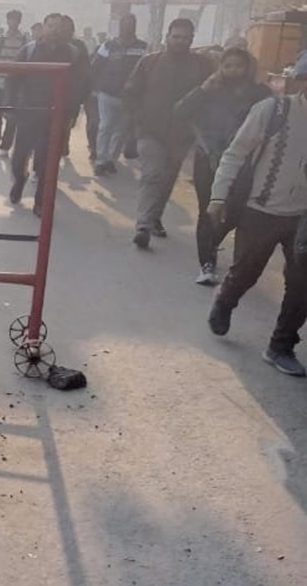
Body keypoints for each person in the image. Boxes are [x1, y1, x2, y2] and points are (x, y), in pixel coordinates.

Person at [207, 53, 307, 377]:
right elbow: (235, 153)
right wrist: (218, 195)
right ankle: (226, 299)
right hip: (261, 209)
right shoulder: (274, 110)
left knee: (303, 284)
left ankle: (281, 345)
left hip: (303, 216)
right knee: (247, 271)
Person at [175, 48, 271, 285]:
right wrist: (202, 91)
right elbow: (179, 111)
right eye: (228, 66)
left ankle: (211, 242)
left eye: (238, 66)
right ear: (221, 67)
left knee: (236, 211)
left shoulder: (260, 94)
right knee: (208, 209)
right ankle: (206, 262)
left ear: (247, 67)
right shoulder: (209, 89)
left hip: (244, 163)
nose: (233, 71)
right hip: (208, 157)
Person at [123, 18, 215, 249]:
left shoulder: (203, 66)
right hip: (150, 130)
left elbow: (211, 95)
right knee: (152, 175)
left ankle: (155, 217)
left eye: (185, 38)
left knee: (167, 178)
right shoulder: (149, 63)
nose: (180, 41)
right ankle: (143, 225)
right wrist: (137, 120)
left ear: (192, 39)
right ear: (167, 37)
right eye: (176, 37)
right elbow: (131, 92)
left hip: (181, 134)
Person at [7, 13, 87, 216]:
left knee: (46, 162)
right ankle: (20, 180)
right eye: (50, 26)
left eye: (58, 27)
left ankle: (40, 201)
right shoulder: (29, 50)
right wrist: (10, 106)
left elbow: (81, 84)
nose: (54, 30)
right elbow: (13, 80)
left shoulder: (73, 54)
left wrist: (71, 108)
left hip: (54, 116)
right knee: (18, 158)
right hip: (29, 113)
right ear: (43, 27)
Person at [91, 14, 148, 175]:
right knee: (106, 126)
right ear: (120, 26)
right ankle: (101, 160)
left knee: (121, 130)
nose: (127, 27)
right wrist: (94, 88)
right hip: (107, 93)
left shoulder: (143, 47)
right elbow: (96, 66)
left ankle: (111, 159)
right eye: (125, 23)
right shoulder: (107, 45)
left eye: (131, 24)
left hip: (129, 96)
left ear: (135, 26)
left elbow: (147, 71)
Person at [0, 9, 28, 156]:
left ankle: (6, 145)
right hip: (0, 84)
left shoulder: (25, 41)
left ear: (19, 21)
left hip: (16, 86)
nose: (13, 22)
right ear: (7, 21)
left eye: (16, 19)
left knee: (12, 117)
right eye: (11, 19)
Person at [62, 16, 96, 159]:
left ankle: (64, 141)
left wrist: (86, 91)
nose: (65, 31)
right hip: (51, 92)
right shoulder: (50, 45)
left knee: (68, 121)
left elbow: (85, 69)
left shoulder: (79, 46)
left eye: (68, 28)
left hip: (72, 92)